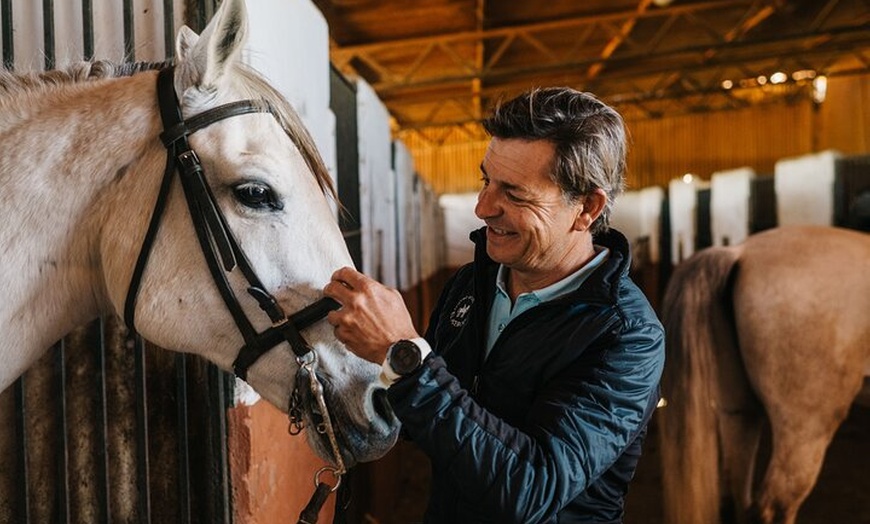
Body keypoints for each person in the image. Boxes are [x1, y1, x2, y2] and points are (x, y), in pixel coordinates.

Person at [324, 87, 665, 524]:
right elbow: (425, 415)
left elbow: (530, 489)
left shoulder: (626, 336)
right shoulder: (472, 283)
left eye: (515, 194)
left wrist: (404, 356)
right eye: (486, 180)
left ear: (587, 207)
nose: (483, 207)